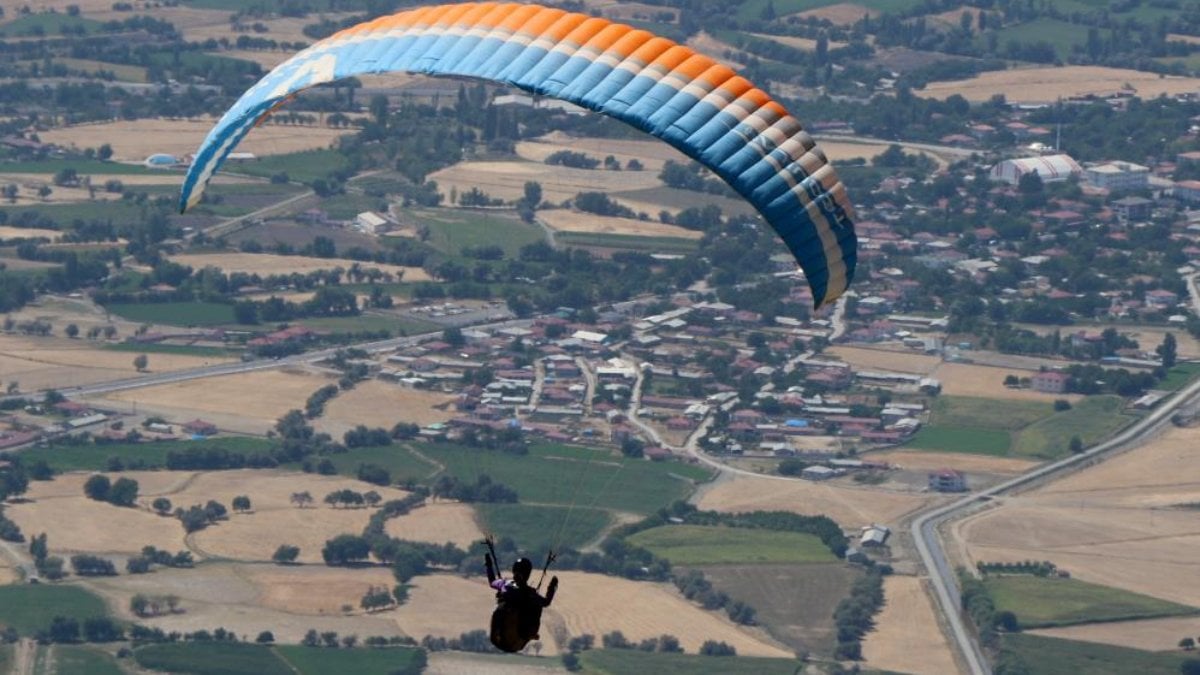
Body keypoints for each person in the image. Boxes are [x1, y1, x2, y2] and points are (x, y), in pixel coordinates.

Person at [485, 552, 558, 653]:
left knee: (509, 605)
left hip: (499, 640)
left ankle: (527, 632)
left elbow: (492, 581)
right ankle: (530, 633)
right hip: (515, 642)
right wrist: (552, 588)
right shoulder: (529, 593)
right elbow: (546, 602)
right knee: (535, 606)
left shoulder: (505, 584)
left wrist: (489, 566)